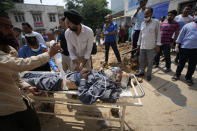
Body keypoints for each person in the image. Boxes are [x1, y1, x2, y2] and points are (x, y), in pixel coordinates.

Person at [0, 11, 62, 131]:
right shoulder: (22, 51)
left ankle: (49, 105)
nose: (11, 31)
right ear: (28, 43)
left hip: (21, 103)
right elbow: (19, 65)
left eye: (10, 27)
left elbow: (15, 76)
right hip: (5, 112)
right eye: (5, 26)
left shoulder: (10, 50)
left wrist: (27, 86)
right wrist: (49, 54)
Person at [171, 7, 197, 86]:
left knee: (192, 65)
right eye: (196, 14)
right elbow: (181, 36)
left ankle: (188, 77)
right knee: (181, 63)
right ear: (194, 16)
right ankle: (177, 74)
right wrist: (177, 45)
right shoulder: (188, 25)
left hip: (195, 50)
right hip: (185, 48)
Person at [135, 7, 161, 81]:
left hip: (151, 47)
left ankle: (149, 74)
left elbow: (158, 34)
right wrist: (138, 44)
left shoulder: (156, 22)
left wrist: (158, 45)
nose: (145, 15)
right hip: (143, 46)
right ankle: (141, 72)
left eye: (147, 13)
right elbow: (140, 35)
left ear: (151, 13)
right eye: (144, 14)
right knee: (141, 60)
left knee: (150, 62)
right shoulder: (142, 23)